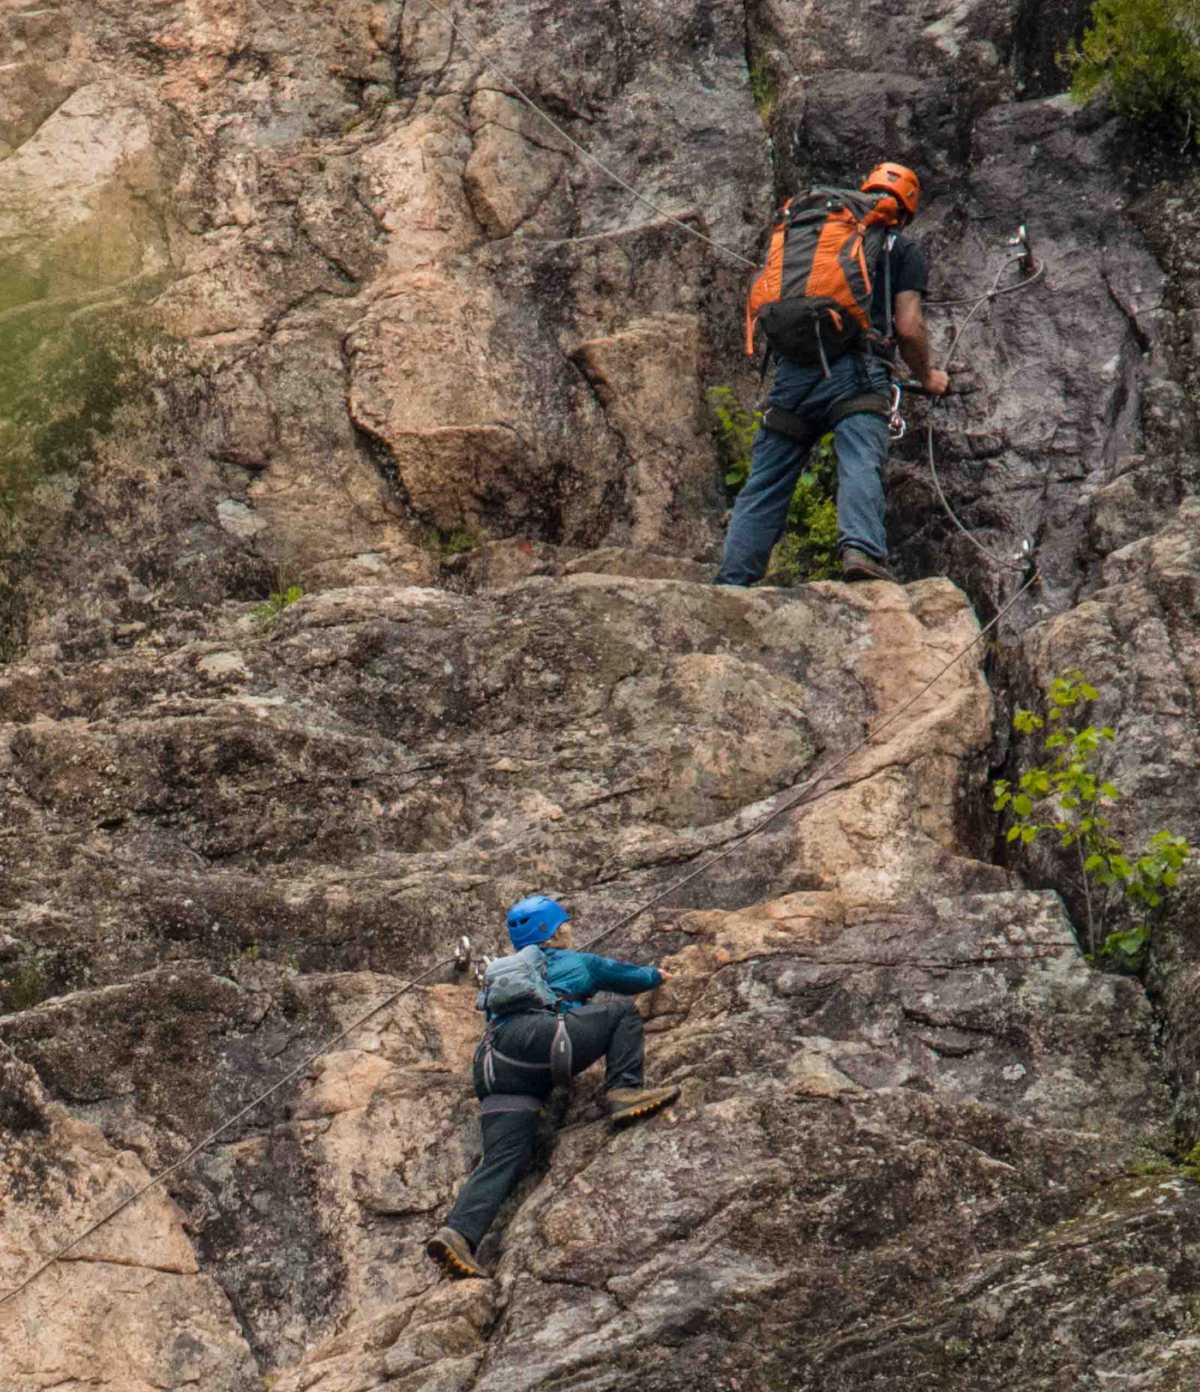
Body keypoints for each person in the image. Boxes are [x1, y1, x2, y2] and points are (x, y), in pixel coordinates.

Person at [715, 161, 951, 587]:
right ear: (908, 208)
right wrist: (929, 376)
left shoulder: (817, 237)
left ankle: (733, 579)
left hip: (792, 373)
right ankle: (860, 551)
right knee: (860, 458)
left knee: (766, 480)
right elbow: (909, 327)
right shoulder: (901, 249)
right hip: (856, 371)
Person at [426, 894, 679, 1279]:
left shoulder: (508, 977)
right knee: (621, 1013)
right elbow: (632, 979)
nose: (570, 927)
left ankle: (459, 1233)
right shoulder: (579, 962)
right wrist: (658, 975)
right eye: (566, 923)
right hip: (541, 1040)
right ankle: (624, 1090)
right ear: (556, 930)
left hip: (494, 1065)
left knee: (504, 1156)